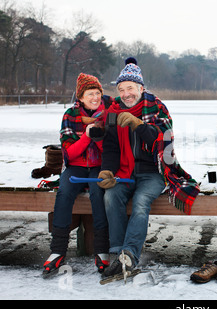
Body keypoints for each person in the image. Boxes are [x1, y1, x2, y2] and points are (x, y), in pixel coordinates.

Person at [98, 58, 200, 278]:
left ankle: (129, 256)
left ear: (141, 88)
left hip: (153, 172)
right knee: (110, 196)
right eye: (121, 89)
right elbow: (111, 148)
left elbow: (165, 140)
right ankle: (117, 252)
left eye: (130, 88)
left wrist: (140, 126)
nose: (126, 94)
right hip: (124, 173)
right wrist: (107, 171)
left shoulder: (156, 107)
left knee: (142, 202)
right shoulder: (113, 111)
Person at [42, 73, 112, 277]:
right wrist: (87, 137)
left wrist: (98, 137)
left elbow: (110, 151)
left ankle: (101, 248)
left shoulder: (108, 114)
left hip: (99, 164)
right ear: (80, 96)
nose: (95, 97)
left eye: (98, 93)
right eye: (90, 93)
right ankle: (57, 250)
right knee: (64, 193)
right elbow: (69, 154)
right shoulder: (70, 115)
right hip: (76, 165)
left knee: (98, 194)